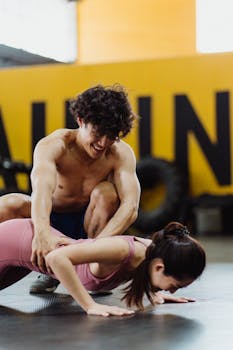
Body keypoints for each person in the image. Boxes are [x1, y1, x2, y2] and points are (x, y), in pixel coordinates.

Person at [0, 84, 141, 293]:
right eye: (98, 132)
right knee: (10, 203)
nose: (103, 142)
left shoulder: (121, 153)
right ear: (81, 120)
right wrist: (42, 233)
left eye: (111, 135)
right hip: (52, 219)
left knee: (107, 193)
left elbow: (130, 207)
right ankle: (49, 272)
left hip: (90, 226)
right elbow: (41, 191)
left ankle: (91, 266)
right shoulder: (54, 145)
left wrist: (95, 247)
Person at [0, 219, 206, 316]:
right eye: (174, 285)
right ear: (160, 267)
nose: (173, 290)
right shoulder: (122, 250)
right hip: (11, 240)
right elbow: (56, 258)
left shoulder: (154, 253)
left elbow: (144, 274)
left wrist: (155, 293)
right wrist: (90, 305)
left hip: (24, 257)